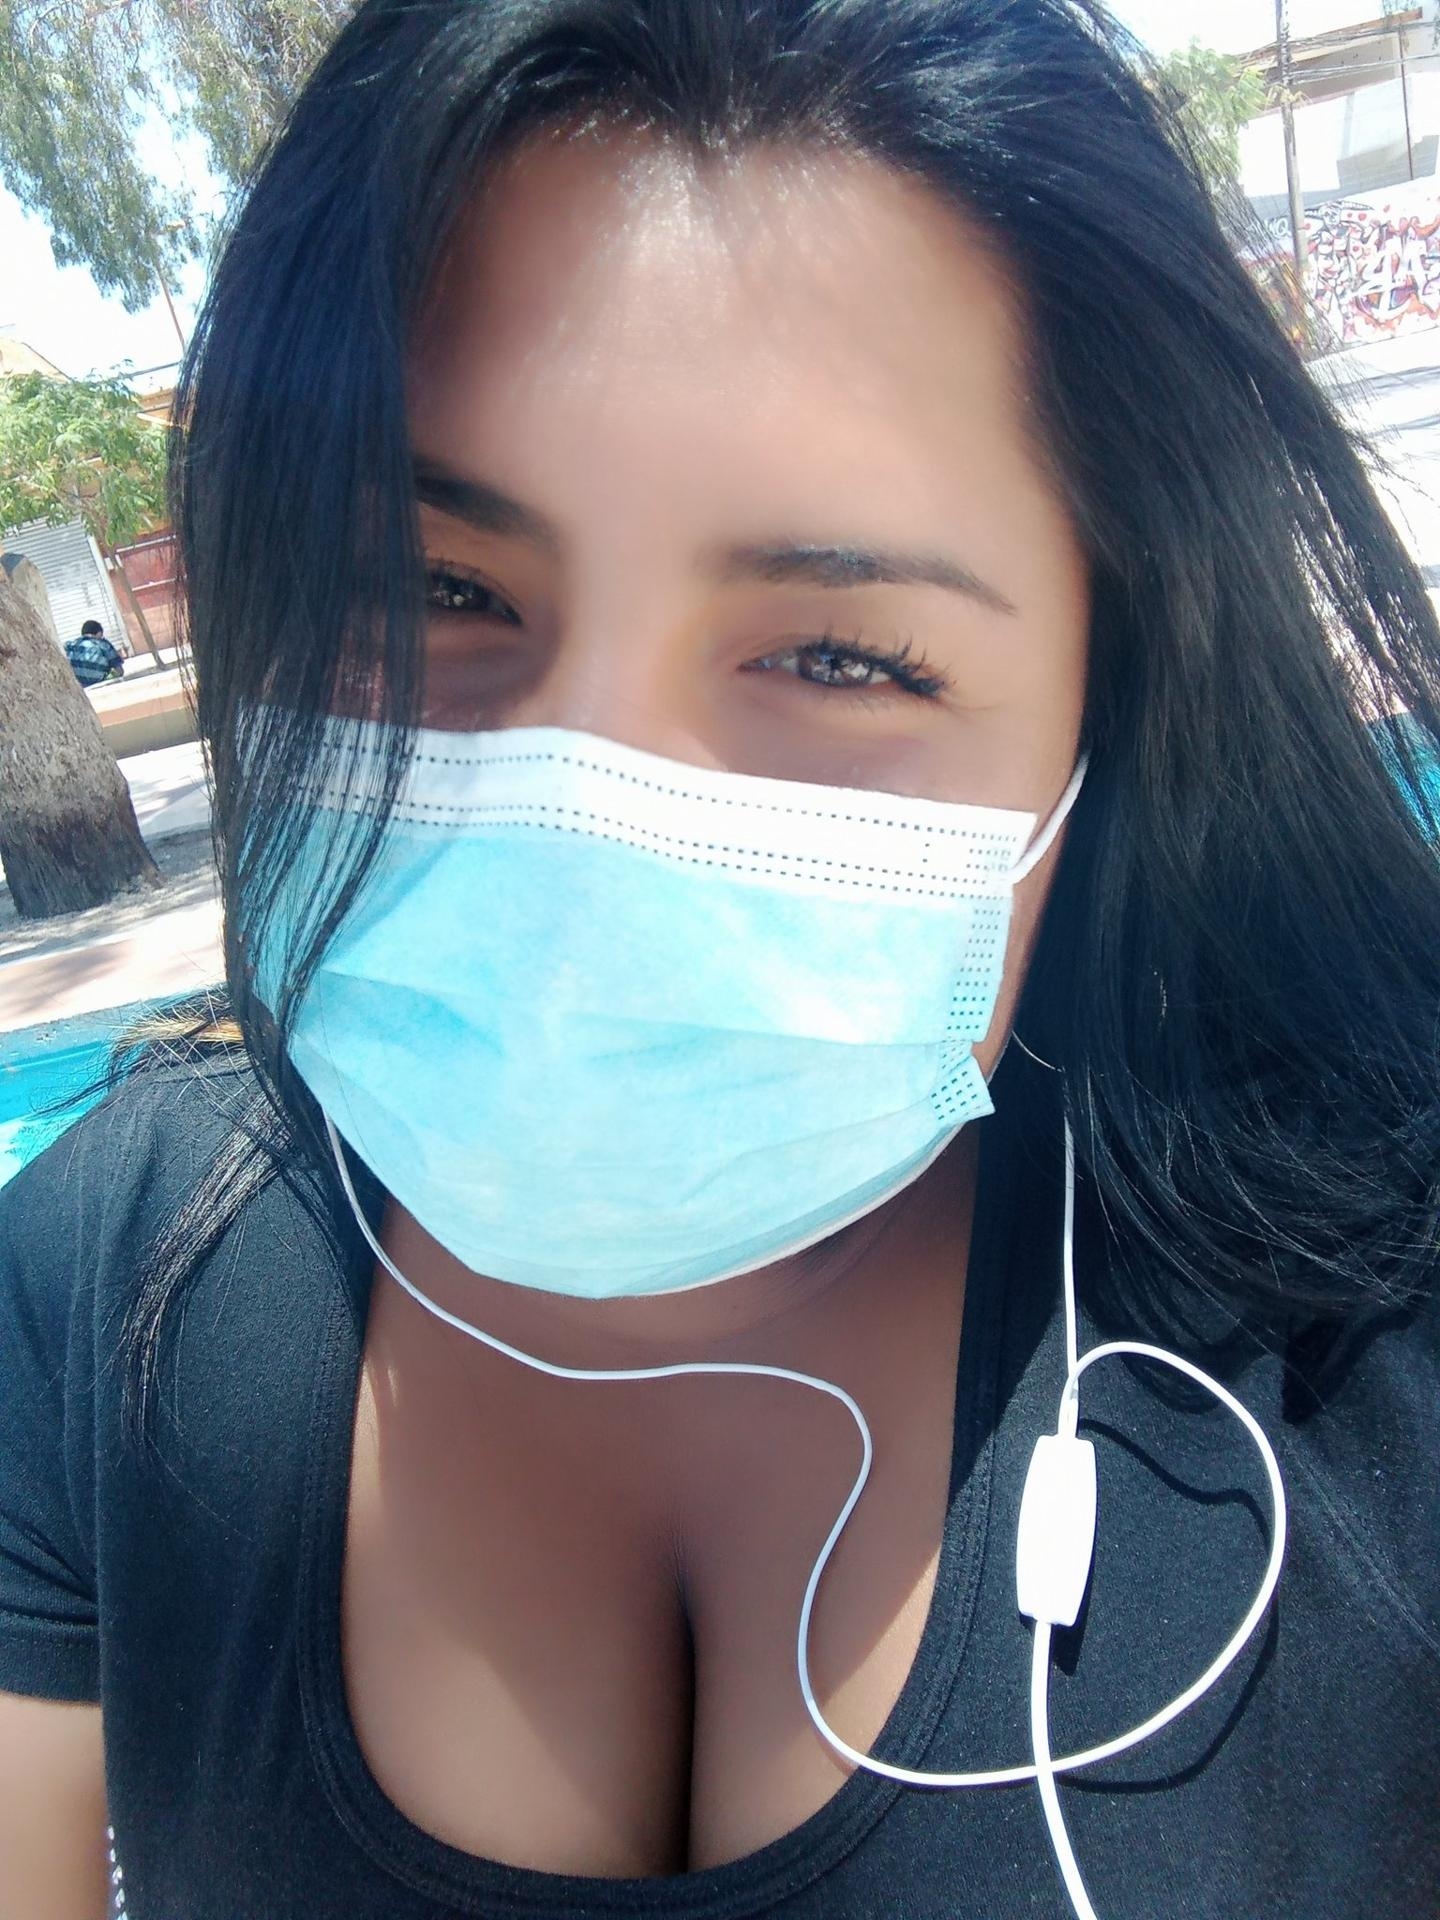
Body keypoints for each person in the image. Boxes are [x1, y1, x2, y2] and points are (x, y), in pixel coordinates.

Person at [2, 2, 1438, 1916]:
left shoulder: (1377, 1339)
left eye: (843, 656)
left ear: (1109, 707)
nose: (587, 826)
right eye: (436, 588)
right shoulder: (98, 1284)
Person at [62, 618, 125, 687]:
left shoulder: (71, 645)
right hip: (100, 682)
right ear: (99, 633)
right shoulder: (102, 644)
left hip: (80, 685)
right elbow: (119, 669)